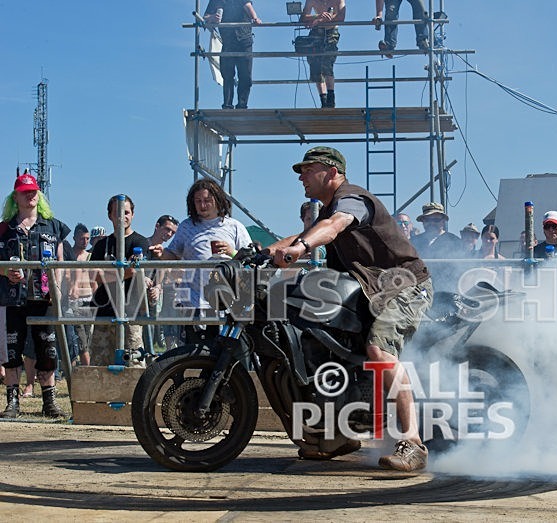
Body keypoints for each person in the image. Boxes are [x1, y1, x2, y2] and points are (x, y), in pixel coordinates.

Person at [269, 146, 433, 471]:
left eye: (308, 170)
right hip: (373, 291)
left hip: (405, 285)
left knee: (379, 351)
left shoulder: (352, 200)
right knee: (322, 342)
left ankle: (413, 443)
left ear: (332, 172)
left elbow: (333, 226)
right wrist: (260, 252)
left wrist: (300, 249)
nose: (301, 177)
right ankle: (339, 435)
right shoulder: (329, 209)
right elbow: (303, 234)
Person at [0, 172, 70, 418]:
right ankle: (12, 403)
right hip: (11, 298)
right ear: (15, 196)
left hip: (44, 299)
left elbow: (61, 263)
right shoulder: (4, 228)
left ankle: (49, 402)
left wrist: (57, 290)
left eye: (33, 191)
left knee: (47, 350)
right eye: (24, 191)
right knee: (11, 350)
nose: (29, 195)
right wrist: (5, 271)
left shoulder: (54, 226)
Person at [149, 179, 252, 344]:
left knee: (224, 350)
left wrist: (232, 252)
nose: (202, 205)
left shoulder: (234, 226)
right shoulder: (186, 226)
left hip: (226, 302)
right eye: (198, 201)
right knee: (194, 350)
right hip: (193, 301)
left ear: (218, 200)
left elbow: (250, 259)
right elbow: (174, 255)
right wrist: (162, 254)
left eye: (207, 200)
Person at [89, 196, 153, 366]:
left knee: (134, 365)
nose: (122, 217)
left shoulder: (140, 242)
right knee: (99, 366)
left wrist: (108, 274)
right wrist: (122, 273)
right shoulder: (102, 245)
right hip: (104, 312)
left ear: (132, 214)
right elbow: (94, 276)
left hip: (130, 314)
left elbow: (134, 270)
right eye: (117, 213)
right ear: (109, 215)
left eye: (126, 212)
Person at [203, 0, 262, 109]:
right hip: (228, 41)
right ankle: (227, 105)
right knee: (227, 74)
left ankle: (242, 105)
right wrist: (212, 17)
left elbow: (248, 6)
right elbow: (205, 17)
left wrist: (255, 18)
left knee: (245, 75)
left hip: (244, 40)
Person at [301, 0, 345, 108]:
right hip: (316, 31)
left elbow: (341, 17)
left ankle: (331, 97)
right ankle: (323, 100)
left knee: (327, 62)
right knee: (315, 64)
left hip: (331, 31)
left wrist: (320, 20)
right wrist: (318, 16)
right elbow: (303, 18)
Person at [146, 215, 179, 348]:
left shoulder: (166, 252)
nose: (169, 234)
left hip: (154, 298)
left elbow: (163, 270)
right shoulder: (142, 244)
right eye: (167, 229)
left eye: (173, 232)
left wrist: (158, 287)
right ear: (157, 226)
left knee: (153, 330)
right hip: (136, 296)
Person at [68, 223, 94, 366]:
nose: (85, 242)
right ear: (74, 238)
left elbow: (95, 280)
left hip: (89, 300)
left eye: (87, 239)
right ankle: (85, 368)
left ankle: (86, 369)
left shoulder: (90, 256)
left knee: (88, 338)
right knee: (80, 338)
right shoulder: (69, 255)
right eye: (82, 238)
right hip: (74, 300)